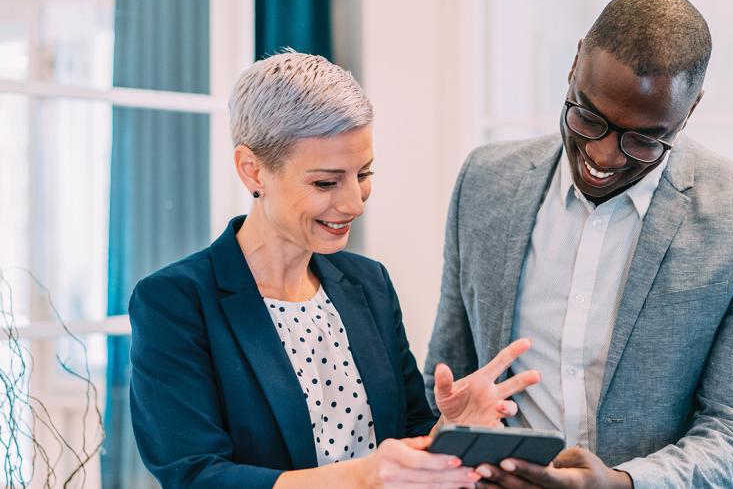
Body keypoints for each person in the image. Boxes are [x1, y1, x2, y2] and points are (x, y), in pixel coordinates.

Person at [424, 0, 733, 489]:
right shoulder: (484, 182)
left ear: (690, 111)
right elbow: (446, 380)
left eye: (644, 140)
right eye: (587, 117)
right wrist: (449, 426)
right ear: (575, 63)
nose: (604, 156)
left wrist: (623, 484)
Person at [128, 52, 540, 489]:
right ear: (252, 170)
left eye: (363, 173)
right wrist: (364, 477)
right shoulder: (175, 302)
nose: (354, 203)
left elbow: (404, 442)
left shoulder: (369, 284)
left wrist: (450, 433)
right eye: (326, 182)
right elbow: (196, 476)